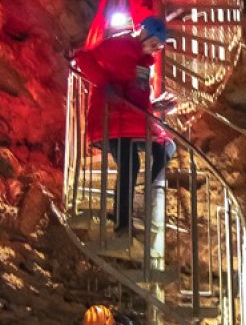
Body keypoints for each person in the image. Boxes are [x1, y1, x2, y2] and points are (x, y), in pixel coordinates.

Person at [74, 15, 174, 232]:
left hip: (132, 122)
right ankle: (122, 223)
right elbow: (83, 57)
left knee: (166, 147)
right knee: (132, 165)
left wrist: (155, 106)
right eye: (154, 43)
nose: (156, 49)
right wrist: (105, 83)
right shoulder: (119, 45)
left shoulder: (143, 63)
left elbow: (135, 97)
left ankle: (140, 195)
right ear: (144, 32)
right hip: (113, 120)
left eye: (159, 46)